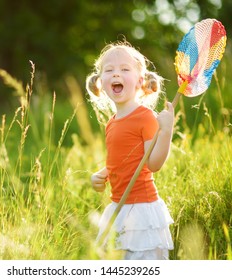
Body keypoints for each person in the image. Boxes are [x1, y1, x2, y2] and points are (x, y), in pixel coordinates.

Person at [86, 41, 174, 260]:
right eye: (109, 70)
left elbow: (153, 164)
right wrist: (102, 174)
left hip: (141, 209)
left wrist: (167, 131)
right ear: (101, 82)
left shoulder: (145, 117)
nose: (116, 74)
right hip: (119, 206)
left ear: (140, 81)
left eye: (125, 69)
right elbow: (122, 161)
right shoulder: (112, 123)